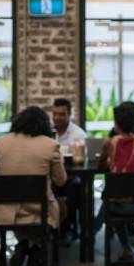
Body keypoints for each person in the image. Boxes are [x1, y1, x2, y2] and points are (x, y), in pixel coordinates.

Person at [0, 106, 67, 266]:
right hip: (39, 210)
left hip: (6, 211)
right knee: (61, 208)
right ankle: (36, 248)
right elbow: (61, 181)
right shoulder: (50, 145)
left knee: (22, 206)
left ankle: (25, 243)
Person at [94, 104, 134, 260]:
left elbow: (100, 168)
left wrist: (105, 154)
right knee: (113, 197)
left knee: (110, 199)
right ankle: (125, 248)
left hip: (118, 207)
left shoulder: (111, 142)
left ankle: (91, 232)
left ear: (116, 124)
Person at [51, 98, 85, 241]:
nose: (57, 117)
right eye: (55, 114)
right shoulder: (47, 132)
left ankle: (64, 229)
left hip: (70, 176)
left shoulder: (78, 134)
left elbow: (81, 160)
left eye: (61, 114)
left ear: (69, 114)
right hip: (50, 176)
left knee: (76, 187)